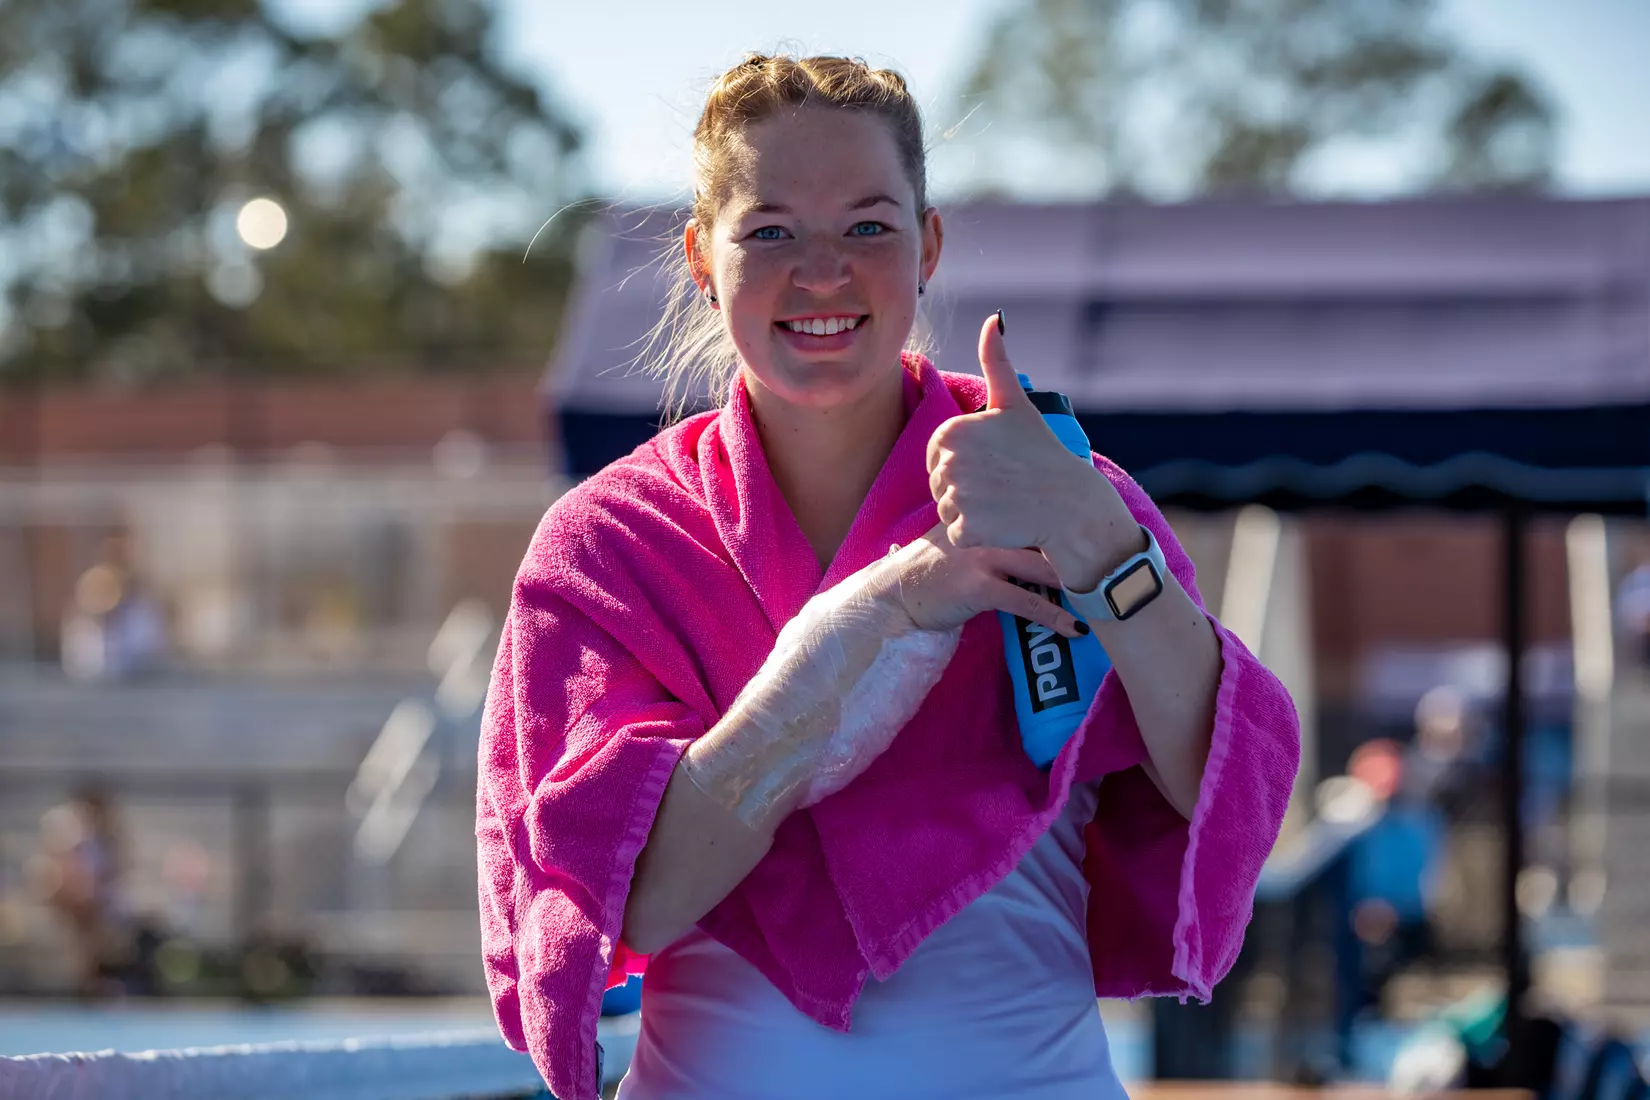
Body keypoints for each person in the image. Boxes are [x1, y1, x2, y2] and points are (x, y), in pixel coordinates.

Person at [475, 53, 1302, 1100]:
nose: (823, 272)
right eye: (770, 230)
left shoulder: (1059, 486)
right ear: (699, 258)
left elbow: (1228, 788)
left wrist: (1103, 547)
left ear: (930, 247)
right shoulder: (609, 541)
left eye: (869, 225)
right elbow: (623, 902)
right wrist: (843, 656)